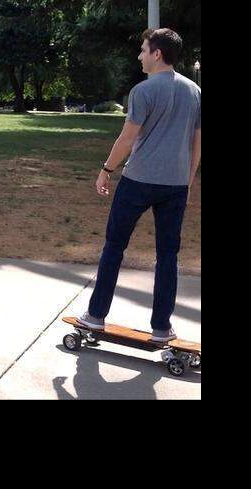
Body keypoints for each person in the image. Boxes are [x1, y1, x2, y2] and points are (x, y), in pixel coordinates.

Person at [76, 28, 202, 342]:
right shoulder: (194, 91)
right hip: (175, 185)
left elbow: (127, 139)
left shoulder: (143, 91)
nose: (140, 55)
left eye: (144, 50)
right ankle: (162, 328)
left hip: (138, 181)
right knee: (168, 256)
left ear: (157, 53)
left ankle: (95, 316)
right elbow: (197, 143)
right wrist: (187, 182)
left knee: (114, 248)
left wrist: (106, 169)